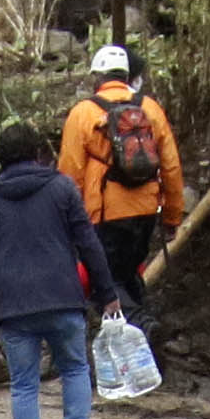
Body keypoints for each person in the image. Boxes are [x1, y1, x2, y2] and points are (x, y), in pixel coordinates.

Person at [0, 118, 110, 419]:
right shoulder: (62, 188)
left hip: (12, 305)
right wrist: (107, 292)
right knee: (74, 369)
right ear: (39, 153)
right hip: (62, 297)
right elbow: (88, 243)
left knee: (24, 384)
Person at [53, 41, 183, 321]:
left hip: (105, 213)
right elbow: (171, 166)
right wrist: (172, 216)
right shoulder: (150, 108)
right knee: (129, 271)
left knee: (107, 278)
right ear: (126, 75)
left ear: (98, 77)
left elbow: (70, 173)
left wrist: (69, 220)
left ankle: (140, 324)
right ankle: (141, 330)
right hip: (146, 210)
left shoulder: (83, 113)